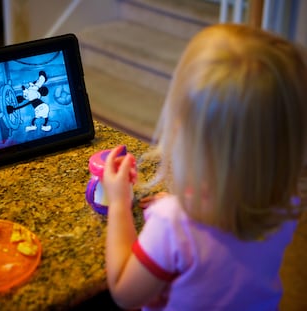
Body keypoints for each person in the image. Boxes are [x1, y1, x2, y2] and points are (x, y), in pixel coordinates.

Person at [102, 23, 307, 311]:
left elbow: (124, 292)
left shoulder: (172, 224)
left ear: (186, 136)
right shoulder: (286, 202)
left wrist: (118, 204)